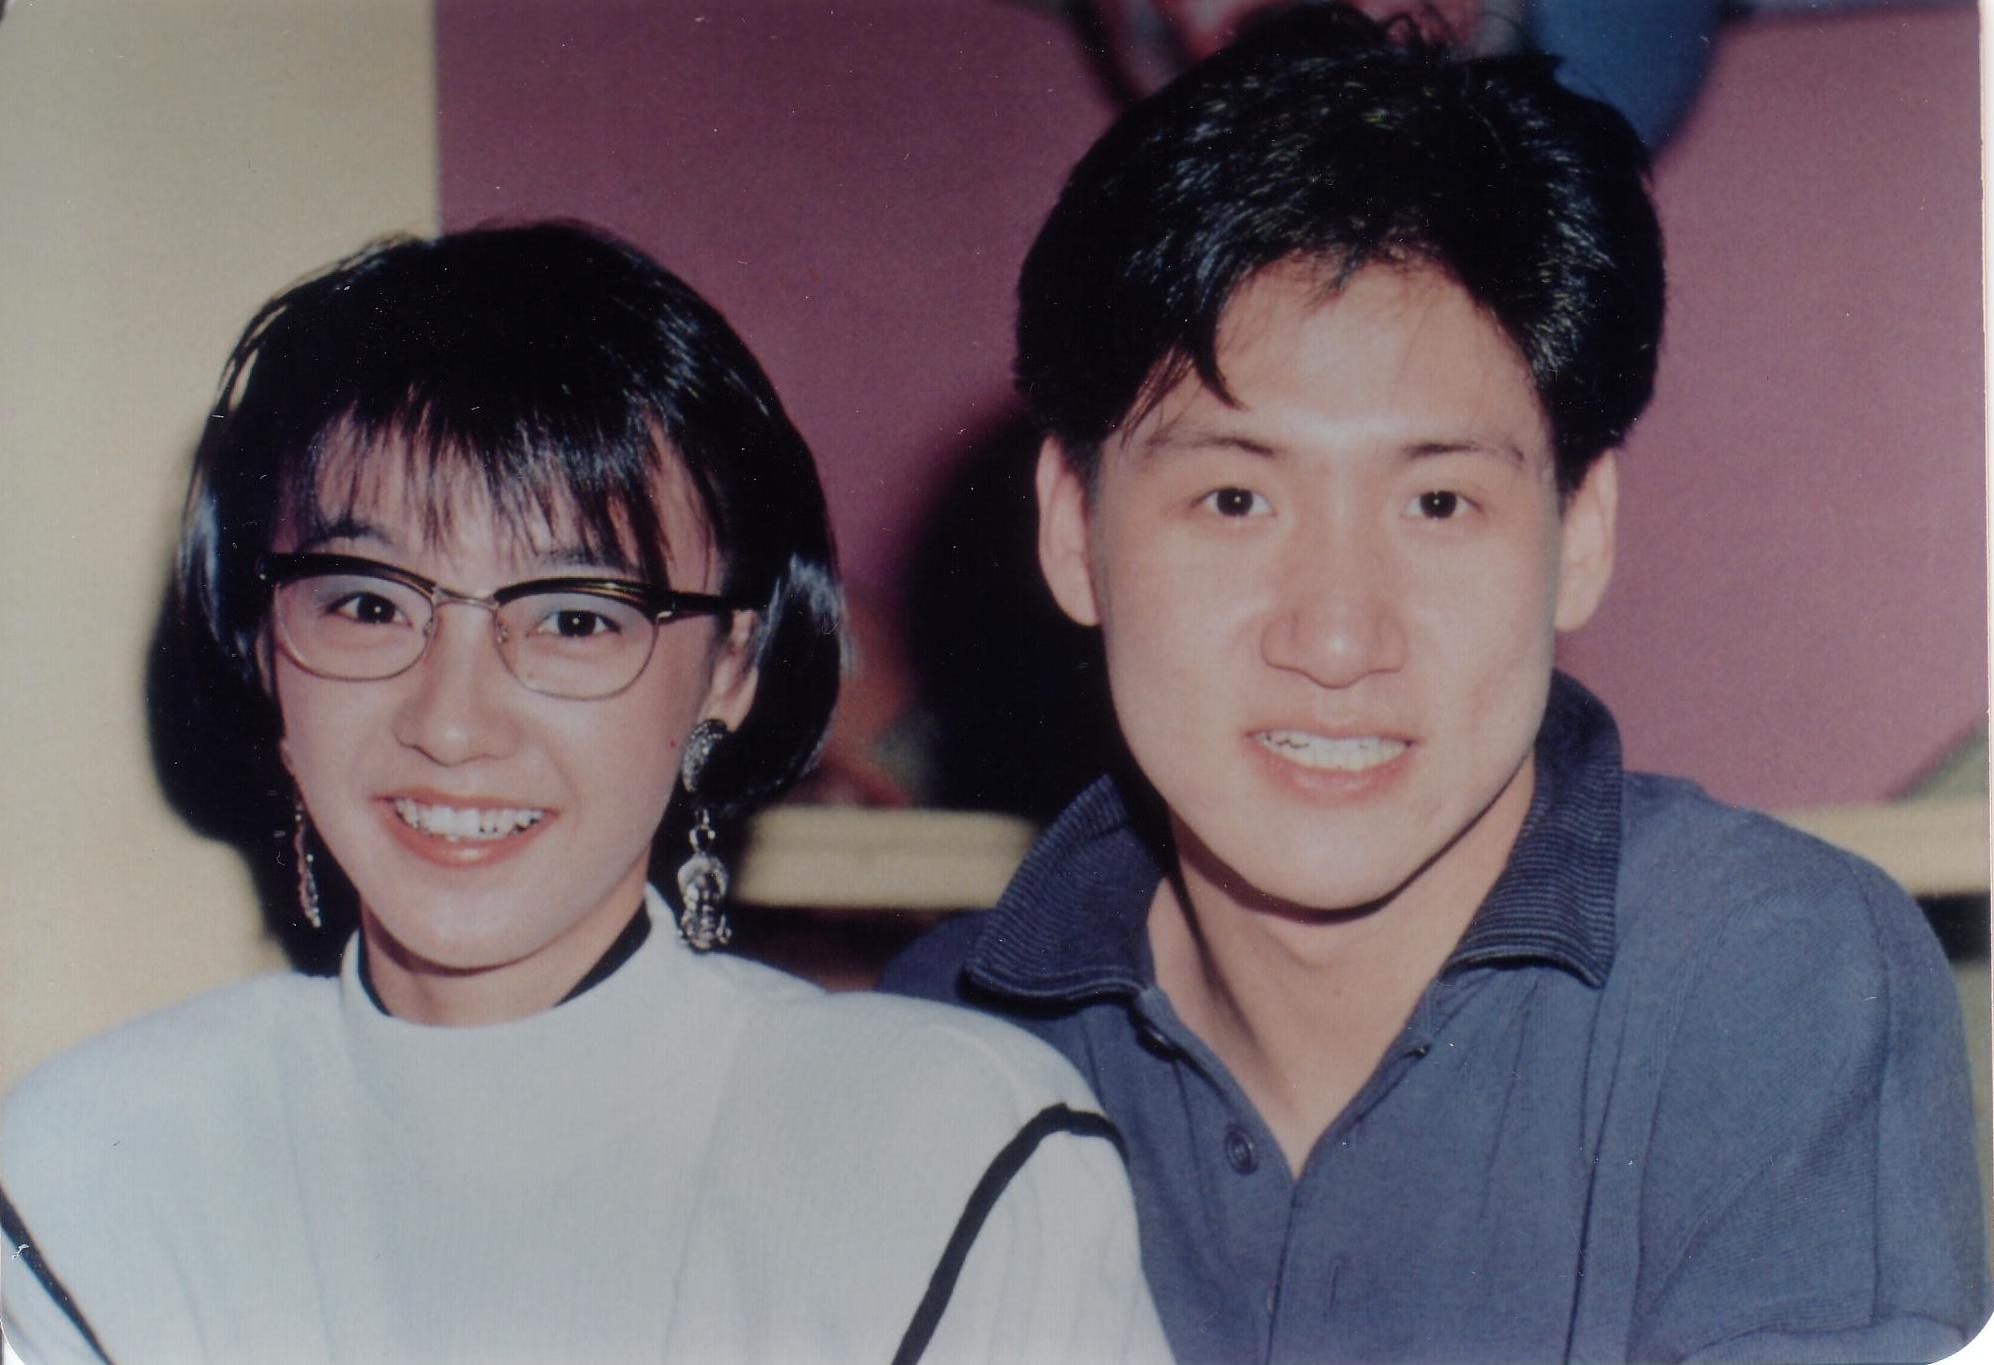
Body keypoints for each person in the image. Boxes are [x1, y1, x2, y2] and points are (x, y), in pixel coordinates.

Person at [882, 6, 1989, 1361]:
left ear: (1579, 535)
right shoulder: (941, 1051)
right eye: (1233, 499)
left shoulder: (1766, 982)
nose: (1336, 639)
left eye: (1438, 503)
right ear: (1072, 531)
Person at [0, 223, 1169, 1364]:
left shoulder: (956, 1155)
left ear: (729, 668)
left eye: (573, 618)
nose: (451, 724)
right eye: (366, 604)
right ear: (263, 643)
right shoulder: (87, 1177)